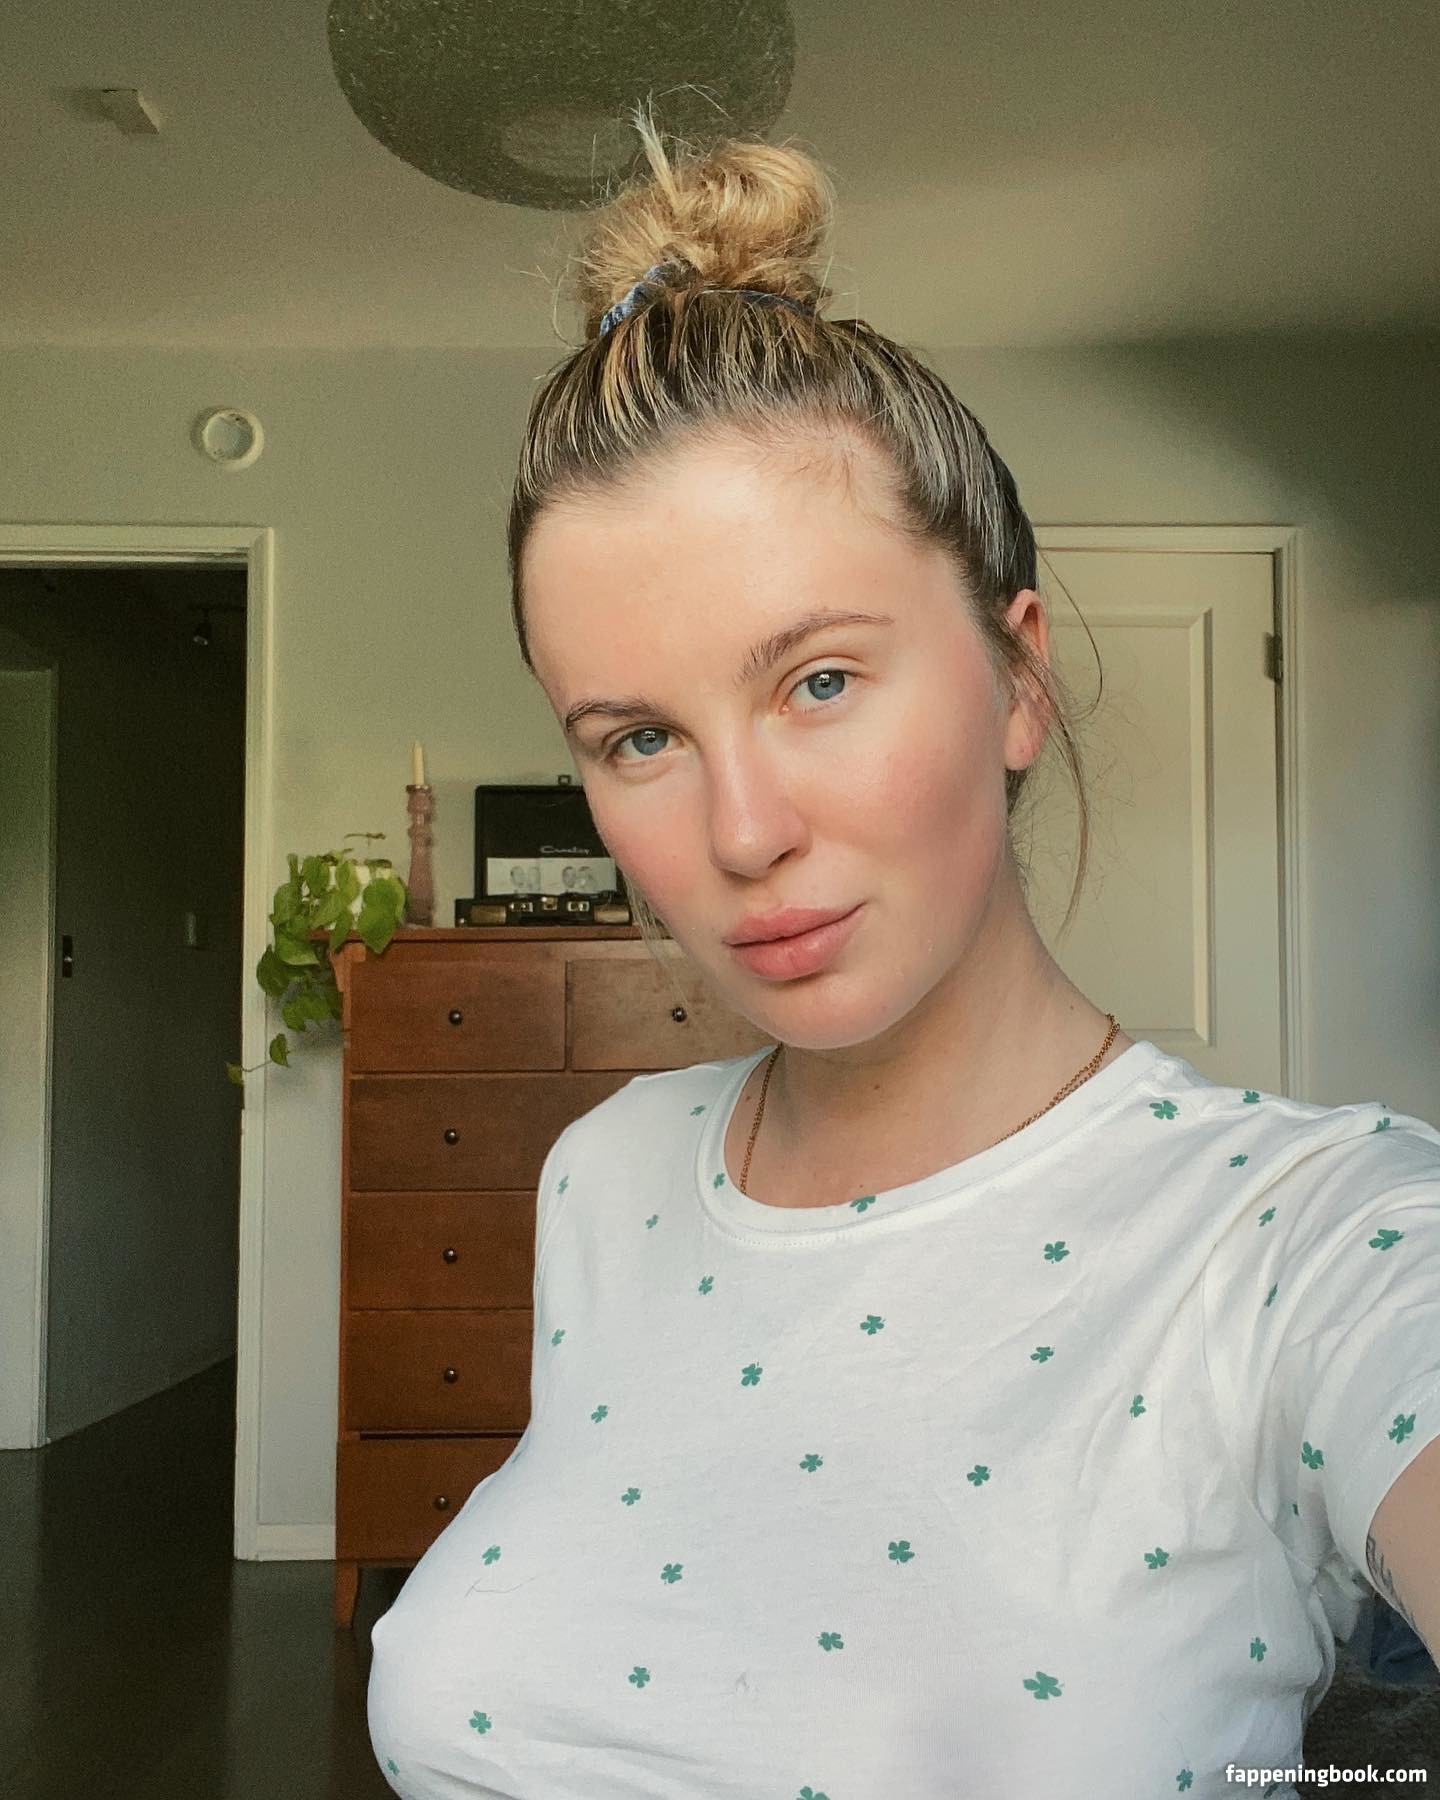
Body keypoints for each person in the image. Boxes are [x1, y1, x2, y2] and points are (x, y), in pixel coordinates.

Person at [366, 102, 1440, 1798]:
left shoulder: (1312, 1241)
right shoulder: (606, 1178)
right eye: (639, 737)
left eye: (820, 681)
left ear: (1018, 678)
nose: (740, 832)